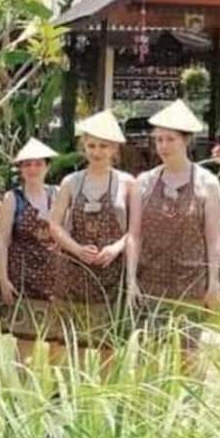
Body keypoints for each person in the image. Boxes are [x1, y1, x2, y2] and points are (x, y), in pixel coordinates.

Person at [127, 100, 220, 366]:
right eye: (158, 140)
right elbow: (134, 235)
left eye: (170, 139)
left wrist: (214, 282)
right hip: (150, 281)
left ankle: (189, 406)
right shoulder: (144, 182)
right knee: (148, 353)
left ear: (186, 141)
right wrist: (130, 278)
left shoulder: (208, 183)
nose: (163, 146)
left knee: (188, 355)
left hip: (191, 282)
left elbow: (213, 238)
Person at [47, 110, 134, 370]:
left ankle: (104, 400)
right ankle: (73, 399)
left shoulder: (128, 183)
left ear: (115, 149)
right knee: (74, 341)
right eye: (91, 145)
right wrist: (75, 248)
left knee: (108, 343)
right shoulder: (70, 182)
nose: (96, 152)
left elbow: (137, 229)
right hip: (74, 272)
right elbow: (54, 224)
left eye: (103, 146)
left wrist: (116, 247)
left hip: (111, 273)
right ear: (84, 146)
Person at [0, 138, 60, 367]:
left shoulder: (59, 195)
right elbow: (2, 241)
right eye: (27, 164)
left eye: (38, 164)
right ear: (21, 168)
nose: (32, 169)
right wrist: (3, 279)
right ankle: (21, 393)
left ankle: (58, 394)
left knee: (58, 339)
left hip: (55, 279)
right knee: (25, 339)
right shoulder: (13, 199)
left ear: (47, 166)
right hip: (22, 278)